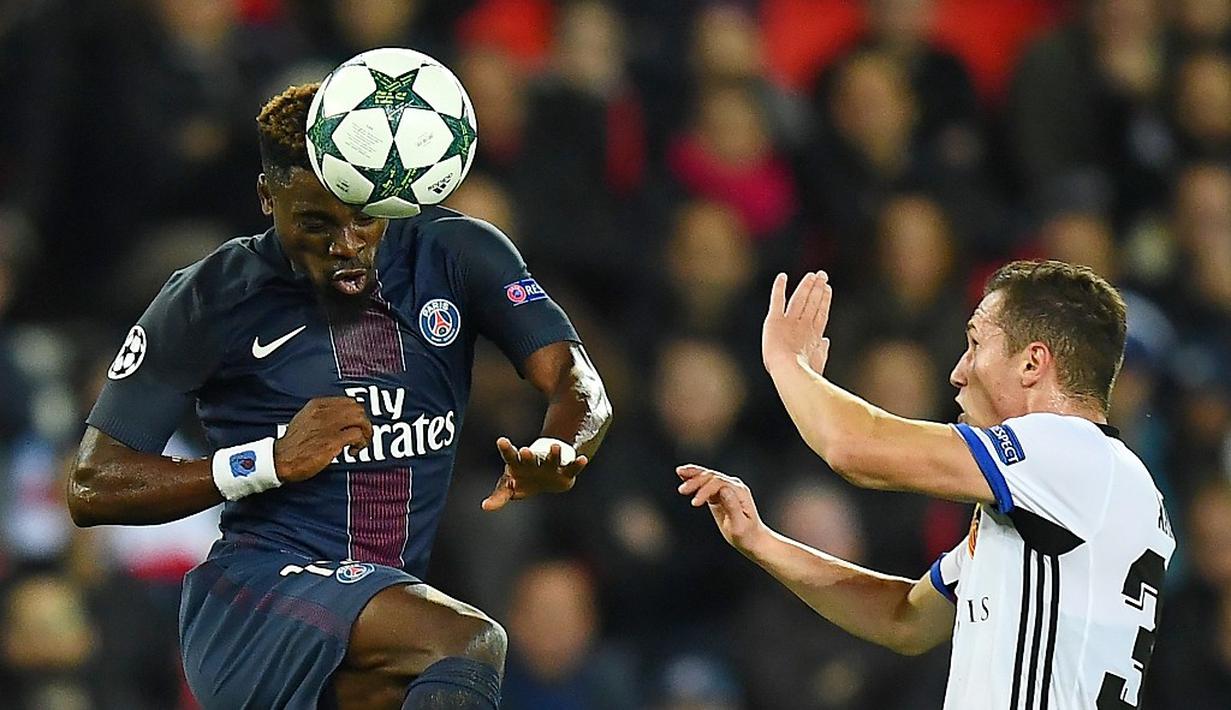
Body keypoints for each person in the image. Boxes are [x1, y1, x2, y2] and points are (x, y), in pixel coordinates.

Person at [65, 82, 612, 710]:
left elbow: (579, 383)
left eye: (363, 213)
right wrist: (265, 461)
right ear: (268, 197)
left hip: (379, 608)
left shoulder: (456, 253)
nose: (347, 244)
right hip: (253, 601)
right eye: (316, 223)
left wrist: (561, 445)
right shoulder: (210, 298)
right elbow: (92, 485)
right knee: (468, 641)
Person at [677, 260, 1175, 708]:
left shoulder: (1069, 451)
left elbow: (854, 448)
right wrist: (762, 541)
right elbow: (904, 619)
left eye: (977, 343)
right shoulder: (1072, 488)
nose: (957, 372)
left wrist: (787, 364)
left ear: (1032, 363)